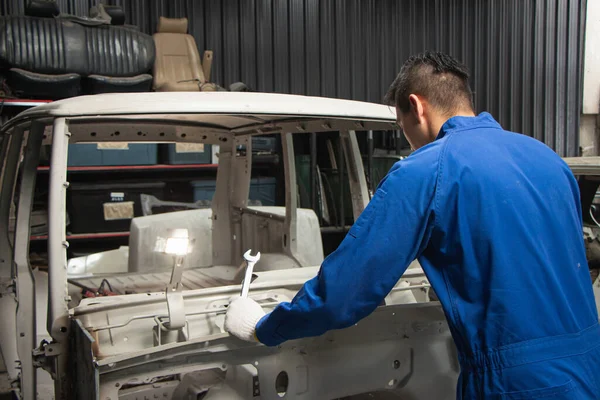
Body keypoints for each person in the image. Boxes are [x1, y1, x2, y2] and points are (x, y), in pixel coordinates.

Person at [224, 51, 600, 399]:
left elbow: (348, 289)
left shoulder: (426, 170)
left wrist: (266, 326)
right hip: (587, 363)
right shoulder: (548, 159)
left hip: (517, 383)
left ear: (416, 107)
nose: (407, 138)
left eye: (401, 124)